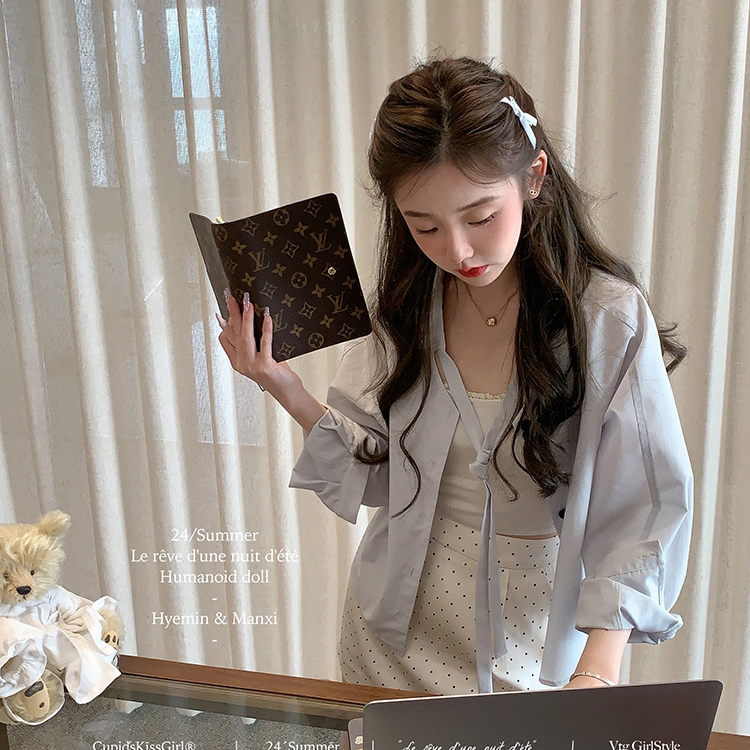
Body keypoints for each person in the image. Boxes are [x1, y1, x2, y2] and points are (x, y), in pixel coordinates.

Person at [217, 56, 692, 704]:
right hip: (391, 627)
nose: (457, 251)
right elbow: (380, 473)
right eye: (425, 226)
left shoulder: (606, 318)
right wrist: (281, 383)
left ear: (534, 177)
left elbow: (640, 514)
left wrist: (596, 674)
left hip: (532, 641)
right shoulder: (411, 306)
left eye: (480, 216)